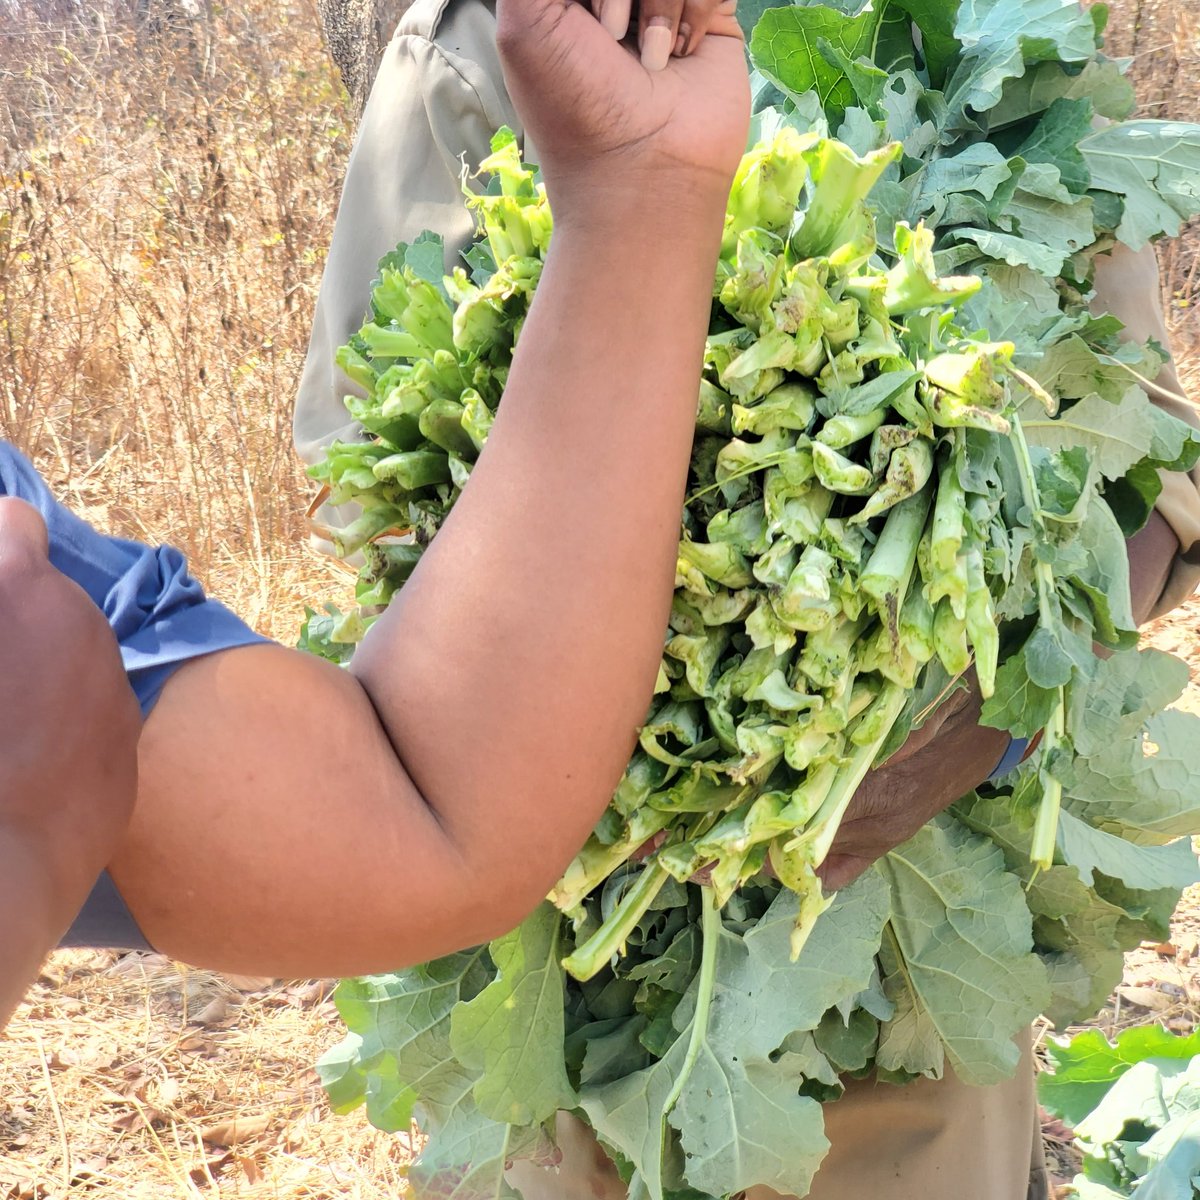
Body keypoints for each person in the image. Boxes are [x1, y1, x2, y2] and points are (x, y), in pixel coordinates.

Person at [290, 0, 1200, 1198]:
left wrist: (982, 718)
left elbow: (1141, 484)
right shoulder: (495, 40)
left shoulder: (991, 24)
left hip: (921, 1059)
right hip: (581, 1023)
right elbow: (380, 493)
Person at [0, 0, 749, 1025]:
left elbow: (421, 818)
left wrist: (647, 183)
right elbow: (361, 463)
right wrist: (26, 834)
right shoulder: (467, 45)